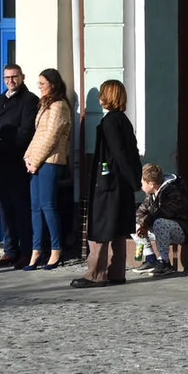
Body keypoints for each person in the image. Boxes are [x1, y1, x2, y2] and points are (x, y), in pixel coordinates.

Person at [71, 80, 143, 289]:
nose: (100, 97)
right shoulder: (123, 120)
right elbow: (130, 152)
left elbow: (119, 153)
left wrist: (131, 179)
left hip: (109, 183)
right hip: (121, 184)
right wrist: (133, 180)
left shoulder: (110, 122)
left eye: (102, 93)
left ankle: (96, 273)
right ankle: (117, 272)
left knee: (102, 228)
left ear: (108, 96)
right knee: (118, 229)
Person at [0, 64, 39, 269]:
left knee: (21, 209)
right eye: (7, 77)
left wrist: (1, 145)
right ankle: (9, 251)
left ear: (22, 77)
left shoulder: (29, 100)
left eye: (14, 77)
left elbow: (25, 133)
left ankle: (25, 251)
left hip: (17, 163)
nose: (10, 81)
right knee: (4, 210)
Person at [22, 68, 71, 271]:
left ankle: (56, 249)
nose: (40, 87)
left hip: (50, 161)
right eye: (39, 84)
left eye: (43, 83)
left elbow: (51, 137)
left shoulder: (59, 106)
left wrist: (36, 160)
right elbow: (38, 135)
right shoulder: (45, 105)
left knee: (48, 206)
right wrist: (28, 157)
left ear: (53, 83)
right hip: (36, 161)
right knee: (35, 207)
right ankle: (36, 250)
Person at [135, 163, 188, 276]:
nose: (141, 186)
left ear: (151, 184)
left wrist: (146, 224)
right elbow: (140, 212)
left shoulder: (172, 191)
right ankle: (150, 259)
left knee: (159, 223)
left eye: (142, 183)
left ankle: (165, 262)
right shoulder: (151, 194)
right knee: (132, 223)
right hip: (163, 231)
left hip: (183, 230)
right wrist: (142, 224)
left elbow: (164, 213)